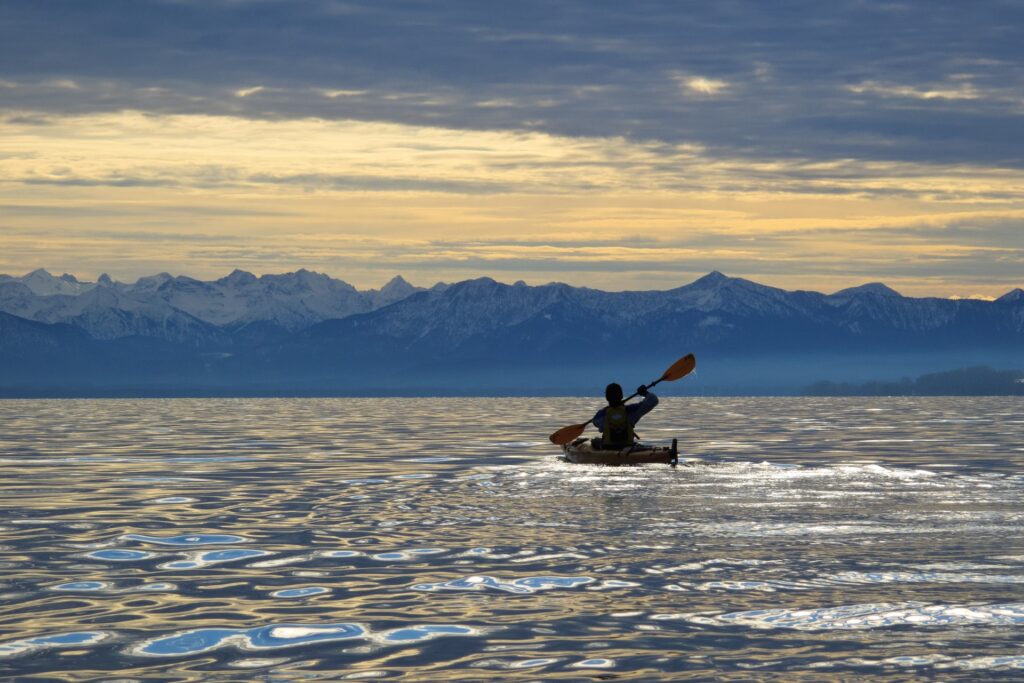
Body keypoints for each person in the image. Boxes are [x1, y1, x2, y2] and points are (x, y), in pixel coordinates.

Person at [591, 382, 658, 450]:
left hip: (608, 447)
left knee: (595, 441)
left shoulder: (601, 414)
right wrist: (645, 393)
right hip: (628, 446)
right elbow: (653, 400)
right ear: (621, 396)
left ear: (607, 397)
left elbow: (595, 422)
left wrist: (608, 408)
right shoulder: (631, 410)